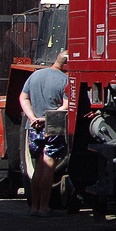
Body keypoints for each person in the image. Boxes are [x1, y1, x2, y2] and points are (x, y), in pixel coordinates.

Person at [19, 50, 70, 217]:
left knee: (38, 166)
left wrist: (33, 117)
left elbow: (23, 97)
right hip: (53, 125)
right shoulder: (65, 79)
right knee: (49, 165)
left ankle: (34, 206)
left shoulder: (35, 76)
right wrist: (47, 118)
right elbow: (67, 105)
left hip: (32, 126)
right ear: (67, 65)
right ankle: (44, 207)